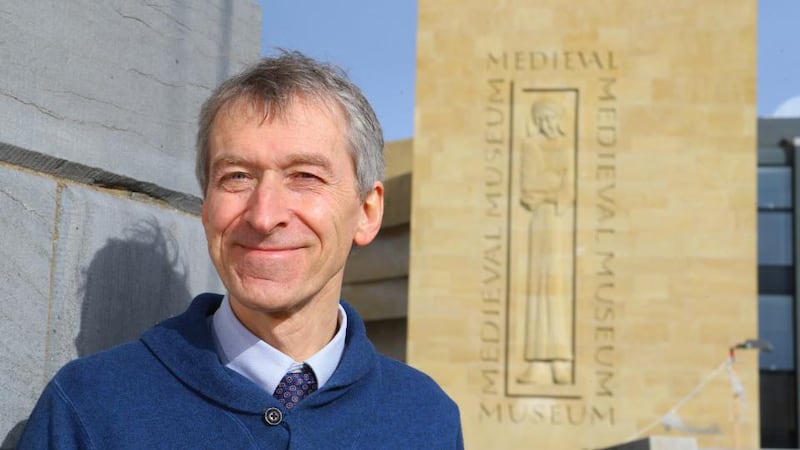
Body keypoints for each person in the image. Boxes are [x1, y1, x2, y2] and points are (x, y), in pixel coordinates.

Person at [19, 51, 463, 449]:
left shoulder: (427, 419)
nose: (264, 215)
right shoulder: (89, 408)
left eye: (305, 176)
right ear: (206, 206)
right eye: (236, 177)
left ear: (367, 211)